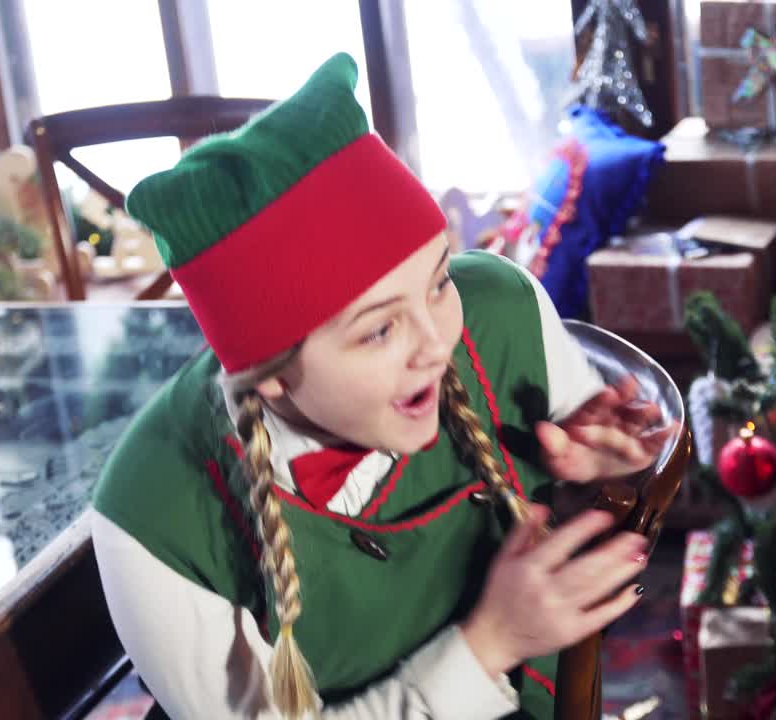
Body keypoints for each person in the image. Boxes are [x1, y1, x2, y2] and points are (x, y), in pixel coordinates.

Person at [91, 53, 673, 720]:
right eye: (379, 331)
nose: (438, 343)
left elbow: (601, 505)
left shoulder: (501, 313)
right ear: (273, 376)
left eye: (438, 281)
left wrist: (592, 474)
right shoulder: (153, 521)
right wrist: (489, 643)